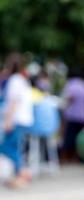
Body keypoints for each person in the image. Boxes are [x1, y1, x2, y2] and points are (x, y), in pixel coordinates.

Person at [0, 53, 33, 188]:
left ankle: (22, 173)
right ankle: (19, 174)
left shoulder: (14, 81)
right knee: (15, 147)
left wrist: (8, 121)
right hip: (24, 120)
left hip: (16, 120)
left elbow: (13, 103)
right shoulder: (22, 80)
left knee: (7, 147)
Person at [61, 67, 84, 162]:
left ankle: (66, 157)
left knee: (69, 137)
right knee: (80, 138)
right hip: (83, 116)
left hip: (72, 116)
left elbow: (69, 98)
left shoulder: (70, 84)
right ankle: (79, 157)